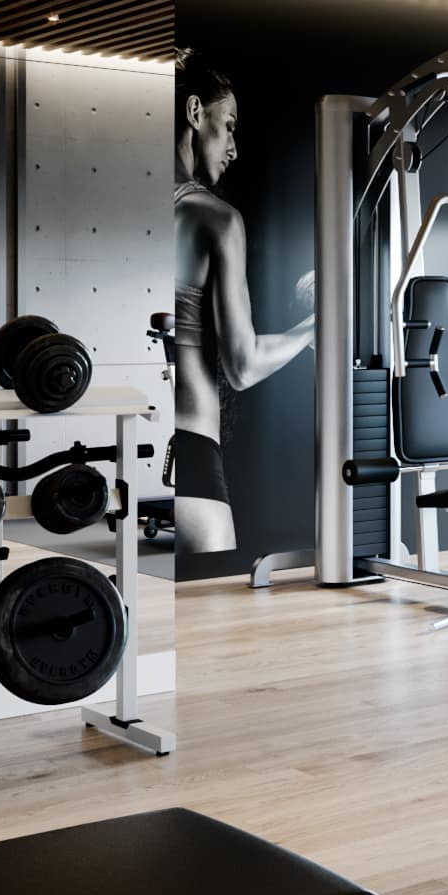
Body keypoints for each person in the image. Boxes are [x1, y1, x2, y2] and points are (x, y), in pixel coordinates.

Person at [174, 65, 314, 553]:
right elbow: (244, 365)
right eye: (229, 126)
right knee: (210, 599)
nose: (233, 148)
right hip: (189, 451)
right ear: (195, 112)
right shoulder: (214, 218)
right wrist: (317, 325)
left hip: (124, 445)